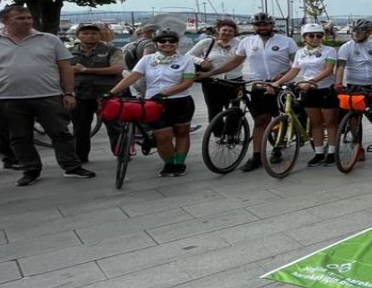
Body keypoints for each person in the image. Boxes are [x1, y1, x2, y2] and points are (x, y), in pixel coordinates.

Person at [0, 4, 96, 185]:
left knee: (61, 133)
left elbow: (65, 68)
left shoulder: (49, 40)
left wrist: (68, 93)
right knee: (19, 137)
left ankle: (71, 166)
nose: (26, 21)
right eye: (20, 18)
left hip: (48, 95)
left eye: (28, 18)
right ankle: (30, 169)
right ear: (4, 21)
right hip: (8, 98)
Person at [203, 12, 298, 172]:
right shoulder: (247, 42)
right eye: (258, 25)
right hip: (259, 85)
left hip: (283, 85)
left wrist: (282, 75)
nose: (262, 27)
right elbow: (234, 62)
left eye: (265, 24)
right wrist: (209, 74)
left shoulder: (287, 41)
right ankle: (257, 156)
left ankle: (278, 146)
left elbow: (298, 63)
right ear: (254, 27)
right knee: (261, 121)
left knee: (281, 118)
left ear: (272, 25)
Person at [106, 29, 197, 176]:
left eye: (171, 41)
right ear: (156, 44)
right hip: (153, 104)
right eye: (162, 41)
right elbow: (132, 77)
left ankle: (179, 163)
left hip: (180, 101)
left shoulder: (186, 61)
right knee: (162, 136)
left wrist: (164, 93)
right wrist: (111, 92)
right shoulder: (147, 60)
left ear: (177, 43)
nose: (167, 43)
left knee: (182, 133)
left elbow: (187, 83)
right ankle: (169, 163)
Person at [273, 23, 338, 166]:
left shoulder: (330, 51)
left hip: (325, 89)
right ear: (304, 38)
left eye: (319, 36)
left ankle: (332, 153)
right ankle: (319, 153)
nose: (316, 38)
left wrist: (312, 82)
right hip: (308, 91)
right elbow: (294, 71)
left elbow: (328, 70)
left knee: (330, 122)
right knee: (316, 123)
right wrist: (277, 83)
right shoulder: (300, 53)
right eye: (311, 35)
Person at [68, 22, 123, 162]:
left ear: (100, 35)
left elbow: (117, 69)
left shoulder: (112, 50)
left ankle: (121, 153)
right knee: (80, 127)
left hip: (106, 94)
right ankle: (80, 157)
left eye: (93, 33)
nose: (90, 36)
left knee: (114, 126)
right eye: (85, 33)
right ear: (78, 35)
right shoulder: (68, 52)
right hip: (80, 94)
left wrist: (85, 70)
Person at [335, 19, 372, 154]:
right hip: (354, 86)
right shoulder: (346, 47)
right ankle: (357, 146)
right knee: (355, 118)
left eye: (360, 32)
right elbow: (340, 67)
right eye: (354, 32)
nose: (356, 35)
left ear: (368, 33)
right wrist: (338, 84)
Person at [188, 18, 243, 134]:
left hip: (234, 80)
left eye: (230, 31)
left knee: (234, 109)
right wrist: (201, 61)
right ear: (218, 30)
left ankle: (232, 134)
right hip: (213, 81)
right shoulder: (207, 43)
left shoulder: (239, 44)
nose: (227, 33)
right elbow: (188, 56)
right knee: (214, 110)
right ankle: (218, 134)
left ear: (234, 33)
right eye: (224, 30)